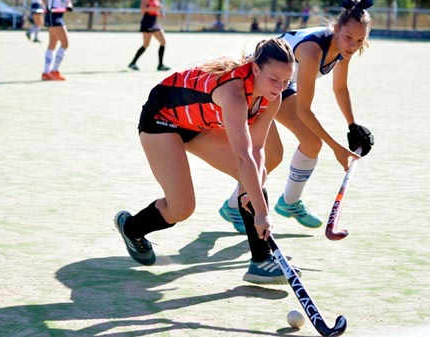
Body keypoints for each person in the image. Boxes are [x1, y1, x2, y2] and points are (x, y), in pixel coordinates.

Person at [114, 38, 299, 285]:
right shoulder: (234, 94)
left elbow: (256, 149)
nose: (279, 87)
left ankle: (260, 261)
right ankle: (131, 228)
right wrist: (262, 213)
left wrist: (254, 193)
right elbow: (244, 157)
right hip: (161, 120)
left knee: (256, 174)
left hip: (197, 125)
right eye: (274, 79)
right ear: (255, 69)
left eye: (286, 81)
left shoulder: (272, 97)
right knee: (181, 208)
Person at [219, 0, 375, 234]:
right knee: (271, 155)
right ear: (336, 29)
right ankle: (233, 206)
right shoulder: (312, 50)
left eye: (359, 40)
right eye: (349, 38)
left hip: (280, 84)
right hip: (254, 84)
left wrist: (352, 125)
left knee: (311, 143)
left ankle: (289, 202)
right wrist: (337, 148)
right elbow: (304, 110)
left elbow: (340, 88)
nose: (353, 45)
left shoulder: (345, 49)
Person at [128, 0, 170, 71]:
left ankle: (160, 65)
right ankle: (133, 63)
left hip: (153, 22)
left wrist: (159, 13)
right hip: (147, 22)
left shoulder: (156, 0)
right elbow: (143, 10)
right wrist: (155, 8)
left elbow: (156, 11)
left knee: (163, 42)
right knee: (146, 45)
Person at [41, 0, 72, 81]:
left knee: (52, 44)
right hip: (53, 15)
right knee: (65, 44)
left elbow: (68, 1)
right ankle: (54, 71)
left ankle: (46, 73)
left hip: (59, 15)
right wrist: (46, 6)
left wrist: (69, 5)